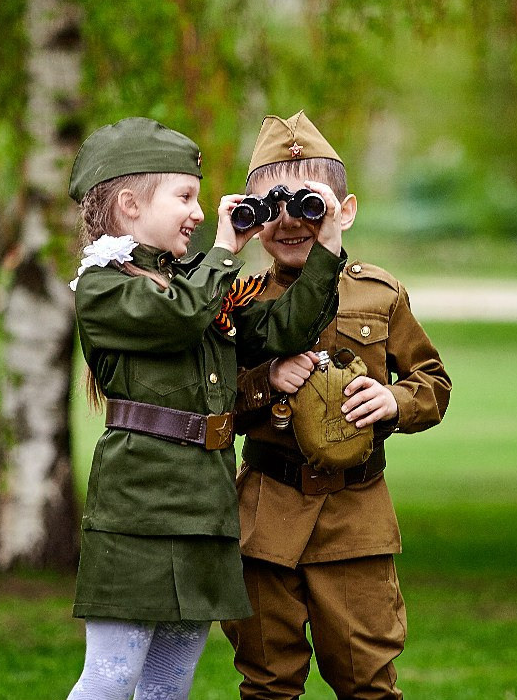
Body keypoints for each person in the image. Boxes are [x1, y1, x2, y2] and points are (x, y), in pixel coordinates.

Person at [65, 116, 347, 700]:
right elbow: (176, 317)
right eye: (186, 197)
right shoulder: (103, 287)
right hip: (139, 506)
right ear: (129, 205)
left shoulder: (195, 282)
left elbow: (283, 330)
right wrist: (224, 249)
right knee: (113, 678)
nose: (198, 212)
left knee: (171, 681)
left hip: (205, 502)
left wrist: (327, 251)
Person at [222, 111, 453, 700]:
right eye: (272, 208)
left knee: (367, 682)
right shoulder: (237, 302)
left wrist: (394, 400)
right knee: (267, 683)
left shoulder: (378, 293)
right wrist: (266, 381)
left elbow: (434, 382)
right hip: (266, 516)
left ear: (344, 211)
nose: (291, 223)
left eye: (310, 205)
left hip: (355, 518)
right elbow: (211, 402)